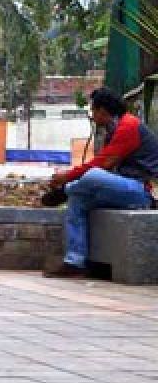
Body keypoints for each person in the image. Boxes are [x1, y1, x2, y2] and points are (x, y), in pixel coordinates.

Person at [45, 88, 158, 278]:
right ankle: (75, 261)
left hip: (140, 191)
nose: (92, 116)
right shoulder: (113, 130)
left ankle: (68, 189)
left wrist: (67, 177)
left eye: (93, 111)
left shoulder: (128, 126)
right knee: (77, 200)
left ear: (102, 111)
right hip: (123, 188)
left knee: (92, 175)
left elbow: (104, 164)